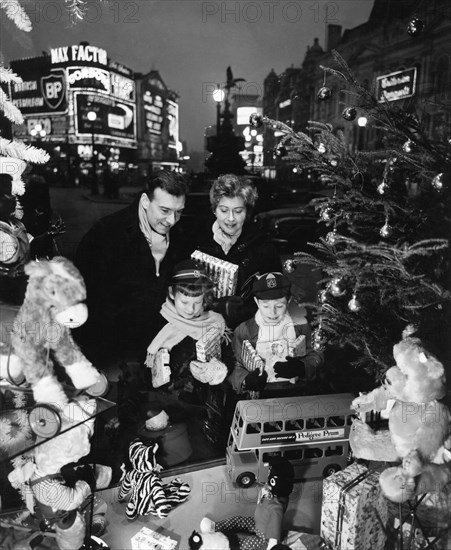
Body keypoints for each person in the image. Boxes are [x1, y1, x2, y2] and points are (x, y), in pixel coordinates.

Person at [74, 171, 190, 365]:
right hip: (112, 352)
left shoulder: (181, 233)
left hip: (158, 348)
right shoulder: (105, 234)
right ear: (145, 201)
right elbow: (87, 298)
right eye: (164, 210)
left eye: (178, 212)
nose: (172, 220)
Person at [195, 174, 282, 328]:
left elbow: (276, 292)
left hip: (246, 328)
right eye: (224, 210)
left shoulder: (261, 245)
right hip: (202, 326)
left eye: (238, 211)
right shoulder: (196, 240)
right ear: (214, 210)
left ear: (246, 212)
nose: (230, 219)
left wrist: (243, 309)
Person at [145, 259, 232, 407]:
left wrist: (216, 370)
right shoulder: (157, 320)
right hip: (162, 400)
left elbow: (228, 358)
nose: (191, 310)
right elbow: (144, 366)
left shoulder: (214, 322)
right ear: (172, 293)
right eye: (184, 302)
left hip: (200, 403)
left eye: (197, 303)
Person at [229, 272, 324, 398]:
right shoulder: (244, 330)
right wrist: (246, 380)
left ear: (288, 301)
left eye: (279, 306)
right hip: (261, 396)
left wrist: (303, 368)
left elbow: (316, 355)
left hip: (297, 393)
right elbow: (234, 365)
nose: (272, 312)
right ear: (257, 302)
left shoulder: (300, 326)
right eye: (266, 306)